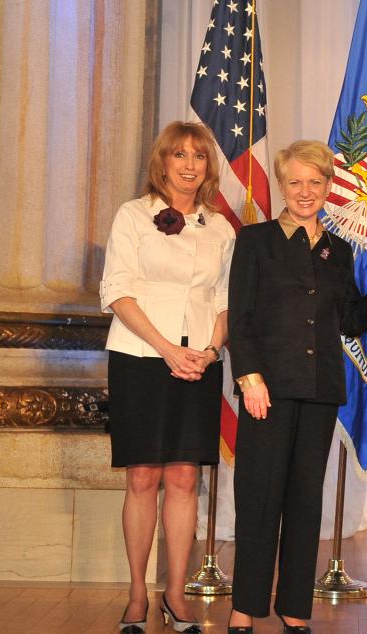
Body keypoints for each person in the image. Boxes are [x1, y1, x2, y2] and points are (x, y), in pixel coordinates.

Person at [225, 140, 367, 634]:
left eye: (315, 182)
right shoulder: (255, 241)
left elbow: (351, 320)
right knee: (258, 500)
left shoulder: (338, 251)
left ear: (328, 187)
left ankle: (295, 608)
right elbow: (241, 315)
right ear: (281, 185)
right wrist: (248, 378)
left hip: (319, 392)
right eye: (295, 182)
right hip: (265, 392)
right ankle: (244, 610)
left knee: (303, 502)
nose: (305, 191)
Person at [101, 121, 235, 634]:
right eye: (179, 154)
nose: (188, 164)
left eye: (198, 157)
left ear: (207, 167)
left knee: (184, 477)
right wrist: (165, 350)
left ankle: (175, 596)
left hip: (199, 363)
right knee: (142, 477)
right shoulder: (133, 216)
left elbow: (226, 301)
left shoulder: (220, 227)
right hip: (140, 357)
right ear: (162, 162)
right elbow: (116, 288)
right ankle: (138, 595)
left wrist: (208, 349)